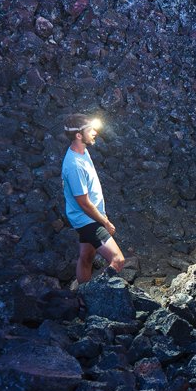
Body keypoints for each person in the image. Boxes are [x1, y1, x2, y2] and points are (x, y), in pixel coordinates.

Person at [61, 117, 127, 284]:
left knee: (86, 257)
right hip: (87, 220)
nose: (95, 133)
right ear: (78, 135)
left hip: (86, 218)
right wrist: (105, 222)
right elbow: (83, 203)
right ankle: (97, 291)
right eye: (90, 130)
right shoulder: (74, 165)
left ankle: (83, 298)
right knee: (118, 260)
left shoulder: (82, 151)